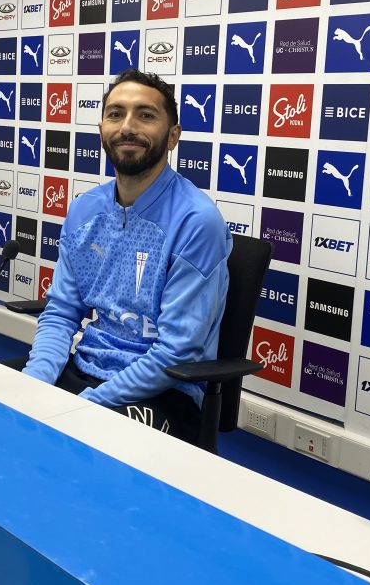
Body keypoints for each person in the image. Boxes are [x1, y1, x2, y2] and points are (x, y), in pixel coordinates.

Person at [19, 69, 231, 443]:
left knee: (74, 448)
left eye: (145, 115)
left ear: (173, 136)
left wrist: (86, 405)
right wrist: (35, 386)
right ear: (102, 128)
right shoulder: (86, 210)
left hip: (165, 392)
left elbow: (176, 353)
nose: (127, 126)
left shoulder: (197, 222)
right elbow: (62, 310)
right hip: (86, 368)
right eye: (115, 114)